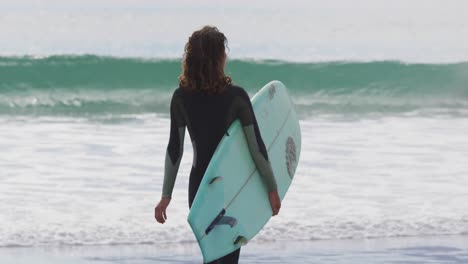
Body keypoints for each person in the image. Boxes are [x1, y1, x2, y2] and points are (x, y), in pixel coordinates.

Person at [154, 25, 281, 264]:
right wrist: (272, 188)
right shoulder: (236, 97)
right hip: (230, 188)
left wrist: (165, 196)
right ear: (217, 58)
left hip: (200, 190)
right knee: (228, 257)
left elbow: (175, 150)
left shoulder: (180, 98)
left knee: (212, 255)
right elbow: (257, 148)